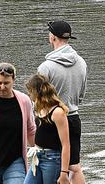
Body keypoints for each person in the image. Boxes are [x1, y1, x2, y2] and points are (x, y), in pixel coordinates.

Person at [37, 20, 88, 184]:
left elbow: (39, 101)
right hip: (73, 117)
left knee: (49, 163)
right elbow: (81, 95)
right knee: (74, 167)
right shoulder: (81, 62)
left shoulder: (46, 67)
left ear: (52, 37)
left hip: (51, 119)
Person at [23, 74, 71, 184]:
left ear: (36, 91)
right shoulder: (39, 109)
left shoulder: (57, 112)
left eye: (30, 91)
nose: (29, 94)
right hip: (38, 157)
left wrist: (64, 173)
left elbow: (66, 144)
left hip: (52, 159)